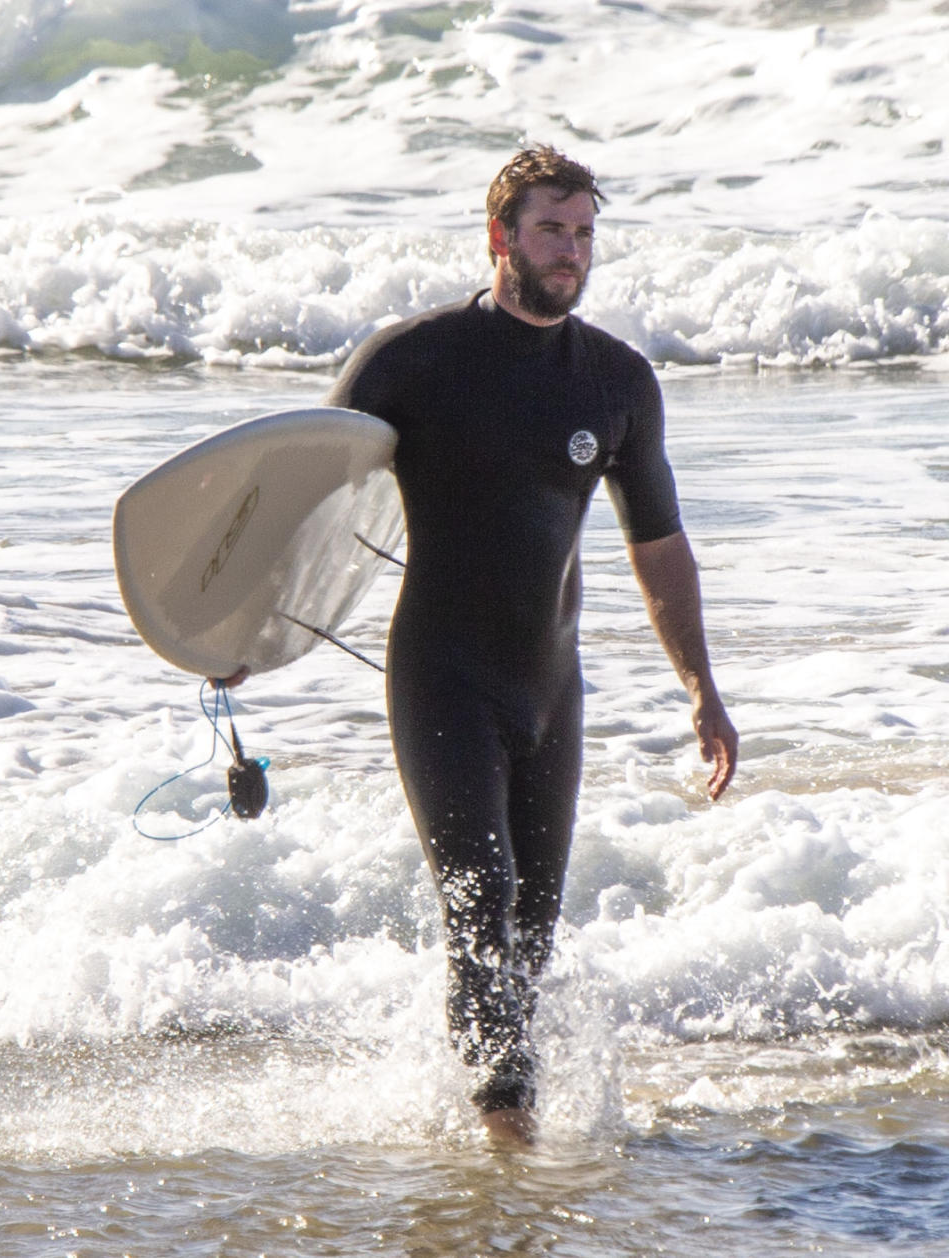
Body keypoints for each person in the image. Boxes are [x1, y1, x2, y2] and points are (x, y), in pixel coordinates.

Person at [325, 145, 738, 1145]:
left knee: (534, 923)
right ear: (500, 235)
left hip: (551, 684)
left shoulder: (616, 380)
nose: (571, 250)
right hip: (443, 672)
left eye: (584, 231)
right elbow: (304, 501)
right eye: (552, 229)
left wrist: (701, 689)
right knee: (483, 892)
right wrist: (239, 631)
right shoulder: (408, 360)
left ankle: (483, 1101)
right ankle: (505, 1126)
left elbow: (660, 542)